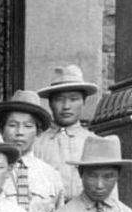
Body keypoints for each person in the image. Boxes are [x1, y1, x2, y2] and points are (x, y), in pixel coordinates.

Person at [33, 65, 100, 201]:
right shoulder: (37, 143)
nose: (66, 106)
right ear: (50, 103)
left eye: (74, 99)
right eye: (59, 99)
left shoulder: (95, 142)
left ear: (83, 101)